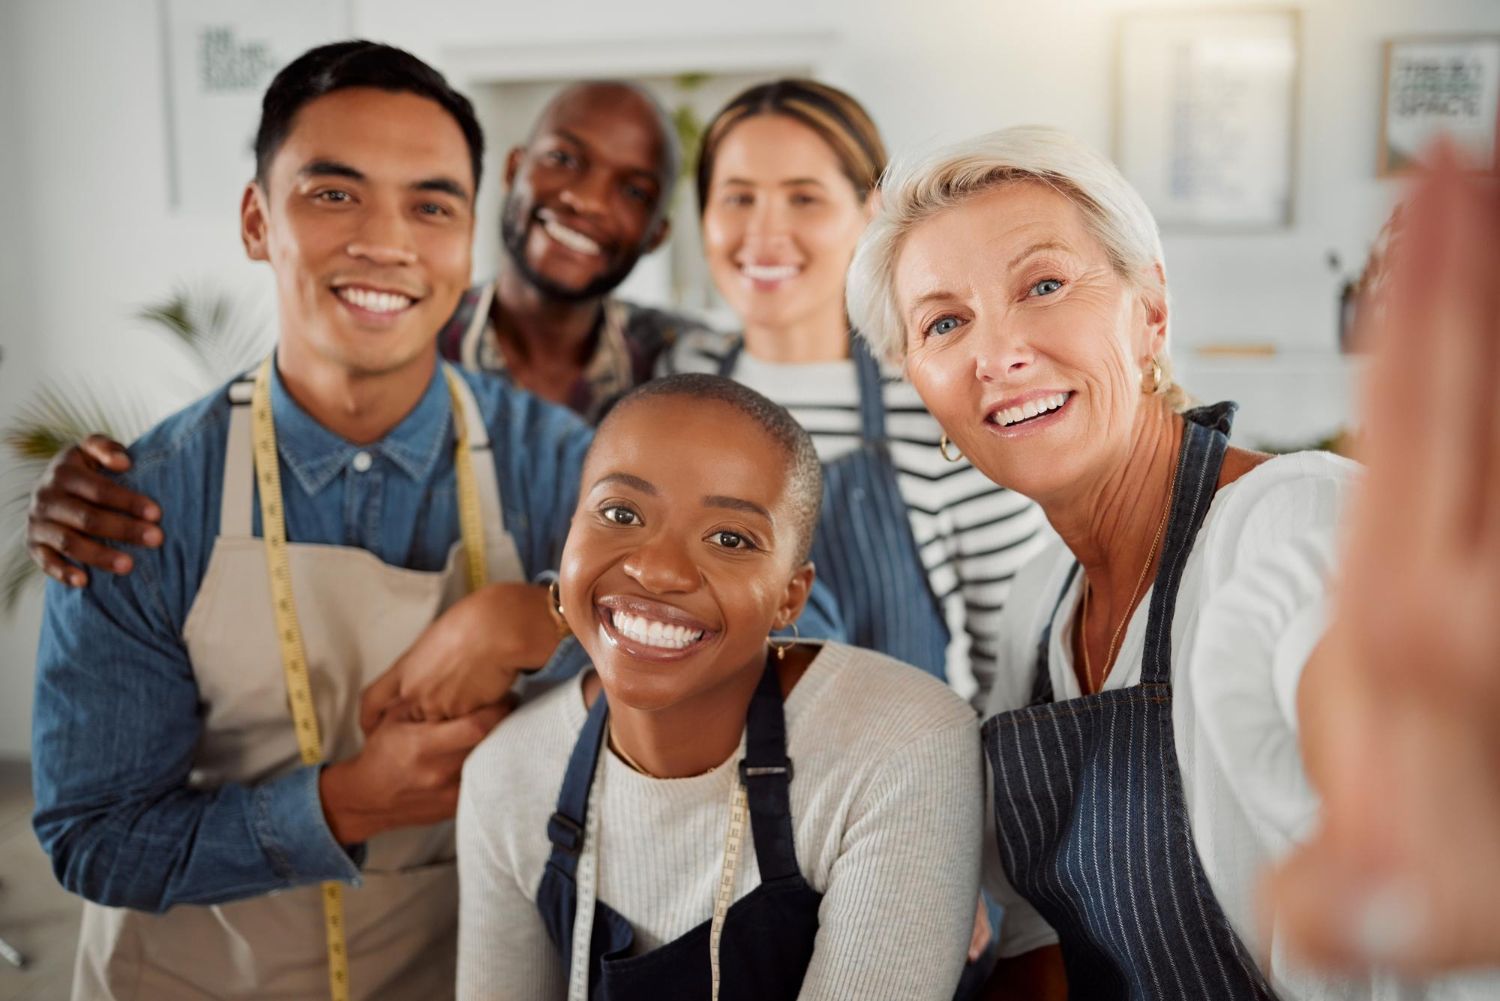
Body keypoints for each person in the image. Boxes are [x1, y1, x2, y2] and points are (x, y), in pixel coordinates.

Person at [844, 124, 1500, 999]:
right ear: (915, 378)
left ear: (1150, 311)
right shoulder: (1036, 603)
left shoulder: (1294, 520)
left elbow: (1350, 691)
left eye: (1043, 285)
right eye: (945, 322)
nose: (997, 352)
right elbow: (1041, 941)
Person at [31, 42, 593, 1000]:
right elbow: (96, 837)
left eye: (431, 204)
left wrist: (538, 613)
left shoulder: (562, 465)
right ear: (258, 221)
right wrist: (348, 802)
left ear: (468, 243)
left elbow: (762, 638)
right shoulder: (143, 501)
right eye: (334, 194)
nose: (386, 240)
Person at [456, 374, 983, 1000]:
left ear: (792, 594)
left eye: (730, 539)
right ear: (569, 533)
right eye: (621, 513)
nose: (658, 569)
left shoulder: (903, 747)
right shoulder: (505, 777)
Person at [664, 78, 1050, 703]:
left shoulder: (942, 407)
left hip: (907, 793)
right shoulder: (678, 389)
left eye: (803, 198)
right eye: (737, 198)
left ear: (868, 214)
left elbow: (1015, 686)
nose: (764, 232)